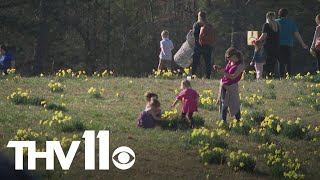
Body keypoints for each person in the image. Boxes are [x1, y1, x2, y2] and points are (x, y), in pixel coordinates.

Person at [213, 48, 244, 123]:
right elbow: (226, 71)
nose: (228, 60)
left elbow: (233, 76)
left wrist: (223, 72)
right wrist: (220, 68)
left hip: (232, 86)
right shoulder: (230, 63)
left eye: (229, 58)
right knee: (224, 104)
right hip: (224, 85)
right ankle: (223, 121)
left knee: (235, 103)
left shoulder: (240, 65)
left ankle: (238, 120)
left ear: (234, 56)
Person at [276, 8, 308, 77]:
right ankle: (289, 76)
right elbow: (297, 34)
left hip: (278, 45)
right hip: (288, 44)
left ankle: (281, 77)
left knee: (280, 62)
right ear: (287, 14)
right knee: (288, 61)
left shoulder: (276, 22)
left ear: (279, 14)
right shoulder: (291, 22)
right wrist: (302, 43)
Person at [191, 11, 215, 79]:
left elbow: (195, 34)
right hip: (208, 46)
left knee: (195, 62)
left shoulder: (196, 24)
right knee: (208, 62)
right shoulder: (209, 25)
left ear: (199, 16)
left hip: (198, 46)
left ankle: (193, 75)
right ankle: (208, 76)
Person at [257, 12, 280, 77]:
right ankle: (271, 75)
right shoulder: (277, 25)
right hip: (276, 46)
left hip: (268, 46)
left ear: (267, 17)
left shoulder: (266, 25)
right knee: (273, 62)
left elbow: (264, 35)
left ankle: (266, 75)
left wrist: (257, 41)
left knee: (266, 61)